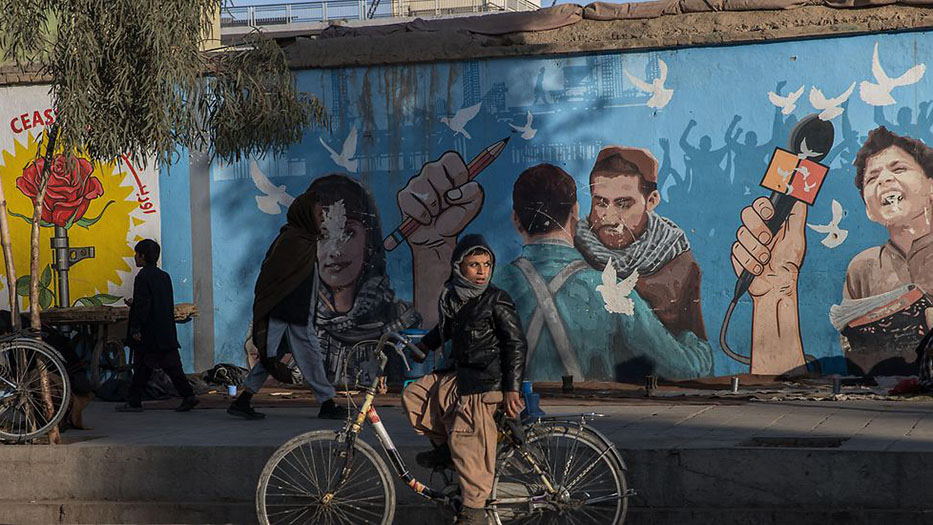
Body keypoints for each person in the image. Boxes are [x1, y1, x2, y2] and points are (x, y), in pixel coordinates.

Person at [494, 164, 712, 382]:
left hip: (507, 414)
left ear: (515, 219)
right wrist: (694, 344)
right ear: (575, 213)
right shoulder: (611, 291)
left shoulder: (491, 286)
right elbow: (683, 369)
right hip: (586, 415)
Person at [402, 234, 526, 525]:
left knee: (468, 444)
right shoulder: (454, 296)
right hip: (461, 375)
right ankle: (447, 450)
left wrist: (512, 389)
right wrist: (423, 346)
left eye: (486, 264)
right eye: (474, 265)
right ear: (459, 267)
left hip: (485, 382)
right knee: (416, 395)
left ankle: (474, 511)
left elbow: (516, 344)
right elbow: (448, 330)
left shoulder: (496, 300)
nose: (482, 271)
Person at [574, 146, 713, 379]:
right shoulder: (574, 250)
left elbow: (694, 346)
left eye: (623, 204)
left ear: (652, 200)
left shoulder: (677, 261)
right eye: (600, 202)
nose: (609, 216)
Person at [227, 190, 347, 420]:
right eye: (319, 214)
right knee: (309, 357)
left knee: (270, 358)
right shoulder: (293, 241)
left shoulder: (302, 240)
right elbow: (277, 280)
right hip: (289, 312)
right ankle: (327, 403)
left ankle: (243, 400)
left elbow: (301, 279)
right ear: (305, 215)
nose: (322, 219)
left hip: (294, 312)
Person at [117, 239, 198, 412]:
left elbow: (144, 305)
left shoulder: (142, 277)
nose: (135, 257)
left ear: (143, 256)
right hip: (165, 330)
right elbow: (158, 302)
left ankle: (134, 401)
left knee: (143, 366)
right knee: (166, 366)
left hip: (149, 331)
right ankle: (187, 395)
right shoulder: (164, 276)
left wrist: (136, 328)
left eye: (137, 254)